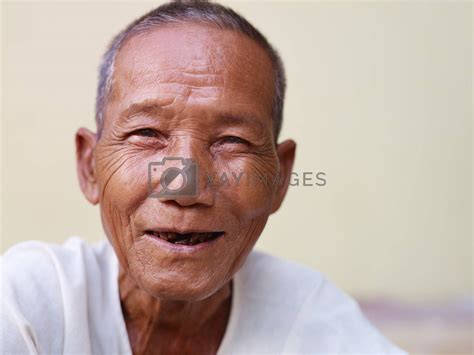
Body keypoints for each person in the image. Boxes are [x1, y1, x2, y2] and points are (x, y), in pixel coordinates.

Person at [1, 1, 405, 354]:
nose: (183, 187)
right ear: (90, 166)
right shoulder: (30, 302)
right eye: (147, 134)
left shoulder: (313, 321)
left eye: (232, 141)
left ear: (279, 178)